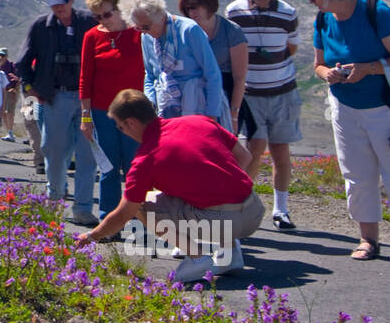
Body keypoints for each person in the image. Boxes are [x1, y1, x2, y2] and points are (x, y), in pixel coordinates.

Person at [75, 90, 263, 283]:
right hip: (254, 212)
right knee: (193, 191)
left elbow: (124, 213)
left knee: (142, 206)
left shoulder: (146, 159)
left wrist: (91, 236)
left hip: (222, 223)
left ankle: (198, 259)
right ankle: (230, 253)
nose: (123, 132)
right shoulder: (199, 122)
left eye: (121, 127)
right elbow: (245, 157)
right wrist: (225, 190)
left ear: (131, 122)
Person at [303, 0, 390, 264]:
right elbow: (318, 64)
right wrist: (327, 73)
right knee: (356, 173)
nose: (311, 2)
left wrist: (369, 70)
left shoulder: (375, 13)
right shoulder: (323, 19)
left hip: (387, 105)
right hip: (345, 106)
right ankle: (368, 238)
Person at [225, 0, 302, 230]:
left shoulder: (288, 13)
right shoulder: (234, 11)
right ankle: (244, 203)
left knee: (281, 149)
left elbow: (291, 48)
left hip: (283, 92)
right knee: (252, 149)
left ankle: (281, 210)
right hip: (250, 94)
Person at [16, 0, 100, 224]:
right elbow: (23, 62)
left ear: (72, 0)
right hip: (55, 97)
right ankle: (54, 198)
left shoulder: (89, 22)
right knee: (53, 149)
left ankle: (82, 208)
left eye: (62, 4)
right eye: (54, 6)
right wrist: (31, 88)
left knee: (87, 154)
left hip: (87, 98)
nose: (59, 9)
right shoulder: (41, 26)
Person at [78, 0, 146, 220]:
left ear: (119, 9)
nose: (103, 20)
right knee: (108, 168)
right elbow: (85, 79)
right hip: (101, 113)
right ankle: (109, 217)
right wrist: (86, 118)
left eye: (107, 14)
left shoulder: (139, 34)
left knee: (134, 167)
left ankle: (141, 218)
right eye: (97, 16)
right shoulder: (92, 37)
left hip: (135, 113)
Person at [120, 0, 228, 126]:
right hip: (166, 111)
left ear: (159, 16)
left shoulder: (189, 30)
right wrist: (150, 106)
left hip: (199, 108)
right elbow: (150, 75)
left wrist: (211, 114)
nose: (144, 32)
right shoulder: (146, 38)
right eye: (139, 28)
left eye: (146, 27)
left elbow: (212, 74)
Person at [180, 0, 250, 137]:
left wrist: (234, 113)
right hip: (194, 95)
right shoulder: (186, 31)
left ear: (208, 3)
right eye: (187, 8)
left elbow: (239, 78)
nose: (192, 12)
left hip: (225, 92)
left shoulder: (231, 31)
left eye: (195, 6)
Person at [0, 48, 20, 141]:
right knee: (3, 113)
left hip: (10, 91)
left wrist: (15, 89)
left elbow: (18, 79)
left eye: (3, 55)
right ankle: (9, 132)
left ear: (7, 56)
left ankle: (10, 132)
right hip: (1, 92)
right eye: (0, 55)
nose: (1, 57)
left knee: (9, 112)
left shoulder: (11, 66)